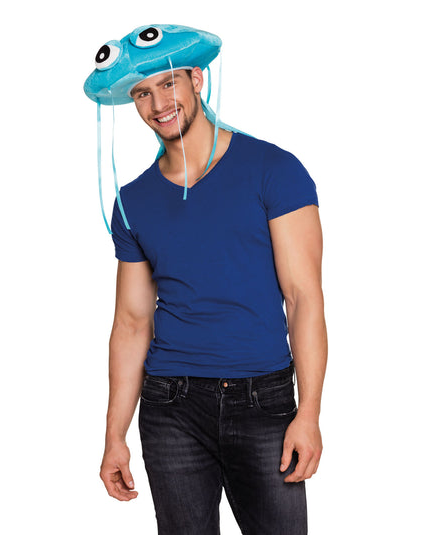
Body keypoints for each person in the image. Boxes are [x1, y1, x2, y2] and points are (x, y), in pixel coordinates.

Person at [87, 24, 327, 535]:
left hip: (263, 400)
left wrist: (308, 413)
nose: (158, 104)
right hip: (170, 405)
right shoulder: (133, 201)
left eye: (168, 83)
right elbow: (131, 323)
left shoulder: (273, 170)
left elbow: (304, 299)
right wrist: (114, 436)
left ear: (197, 80)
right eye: (142, 93)